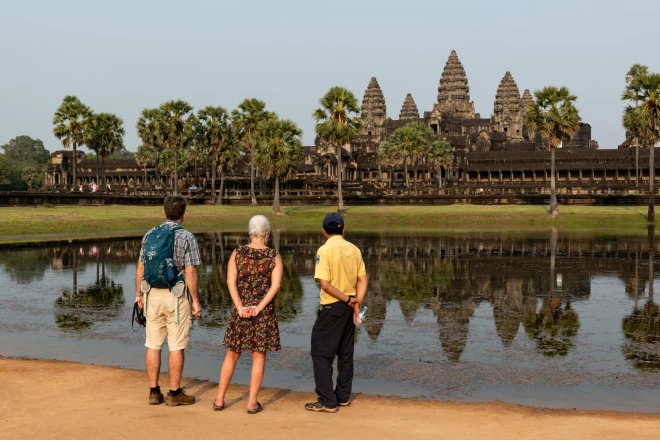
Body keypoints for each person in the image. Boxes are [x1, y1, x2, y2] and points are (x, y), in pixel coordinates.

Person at [135, 195, 203, 406]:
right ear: (184, 214)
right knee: (176, 345)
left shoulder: (149, 235)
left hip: (152, 294)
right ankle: (174, 393)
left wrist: (138, 295)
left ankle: (154, 391)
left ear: (163, 212)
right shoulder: (187, 237)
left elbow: (140, 268)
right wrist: (196, 301)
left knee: (153, 344)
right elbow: (190, 273)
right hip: (176, 295)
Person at [213, 215, 282, 414]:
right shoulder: (273, 255)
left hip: (240, 311)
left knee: (232, 354)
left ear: (250, 232)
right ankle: (252, 402)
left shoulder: (238, 253)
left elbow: (230, 282)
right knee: (258, 356)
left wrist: (240, 307)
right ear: (266, 234)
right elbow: (275, 286)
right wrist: (259, 307)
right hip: (263, 312)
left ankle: (219, 399)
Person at [306, 213, 368, 413]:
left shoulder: (324, 251)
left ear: (324, 230)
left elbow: (325, 284)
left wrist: (348, 299)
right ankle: (342, 396)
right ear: (343, 229)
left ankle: (327, 400)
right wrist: (356, 302)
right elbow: (363, 279)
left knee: (320, 353)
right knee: (345, 352)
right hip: (350, 306)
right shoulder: (354, 249)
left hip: (334, 306)